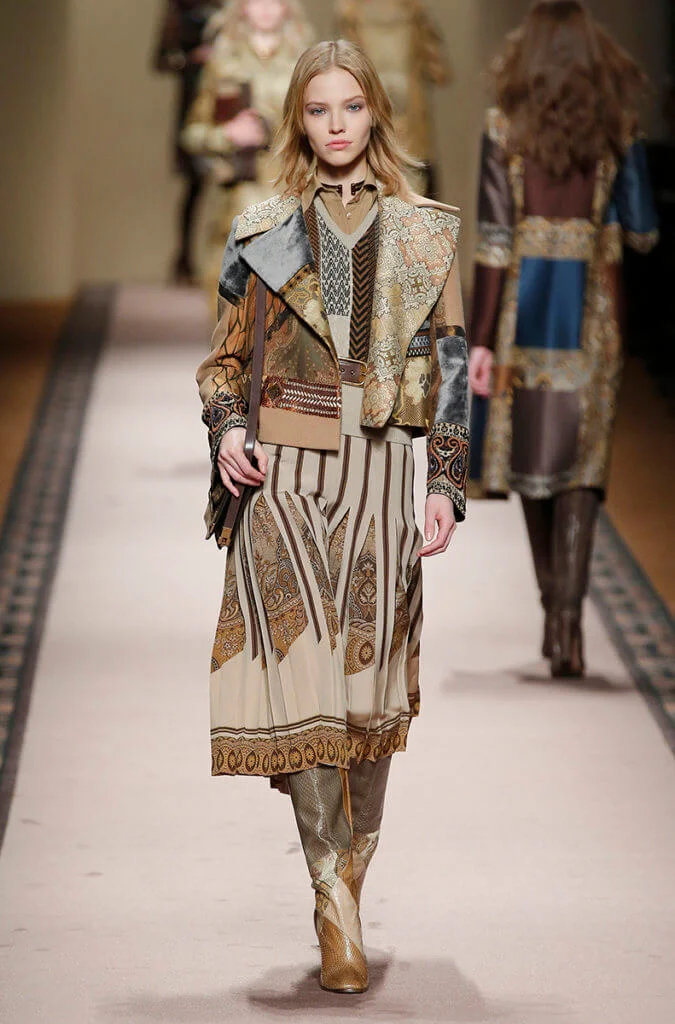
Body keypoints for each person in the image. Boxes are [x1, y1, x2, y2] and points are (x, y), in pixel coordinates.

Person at [197, 39, 469, 992]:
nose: (337, 124)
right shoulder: (261, 229)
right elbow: (222, 363)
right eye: (319, 110)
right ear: (299, 121)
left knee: (367, 690)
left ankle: (352, 871)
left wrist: (443, 483)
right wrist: (229, 430)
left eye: (351, 106)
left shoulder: (425, 231)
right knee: (305, 678)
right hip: (285, 472)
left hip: (381, 471)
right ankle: (328, 894)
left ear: (375, 112)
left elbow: (450, 368)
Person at [468, 0, 659, 678]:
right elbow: (643, 230)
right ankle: (570, 619)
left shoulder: (503, 127)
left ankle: (552, 609)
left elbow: (494, 241)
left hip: (523, 311)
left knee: (531, 460)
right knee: (582, 464)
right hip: (594, 313)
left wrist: (479, 338)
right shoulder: (618, 130)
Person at [181, 0, 314, 314]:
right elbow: (192, 134)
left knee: (291, 312)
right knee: (233, 314)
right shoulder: (222, 62)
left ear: (288, 7)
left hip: (292, 195)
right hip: (236, 199)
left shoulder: (306, 62)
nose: (265, 7)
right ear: (241, 7)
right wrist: (228, 135)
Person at [335, 0, 450, 197]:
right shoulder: (351, 16)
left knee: (410, 189)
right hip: (373, 123)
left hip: (409, 124)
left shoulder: (415, 15)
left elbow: (439, 72)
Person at [154, 1, 222, 284]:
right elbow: (161, 60)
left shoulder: (227, 7)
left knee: (235, 184)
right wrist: (193, 59)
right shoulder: (179, 8)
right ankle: (185, 258)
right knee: (195, 184)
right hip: (193, 103)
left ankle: (228, 259)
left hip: (226, 101)